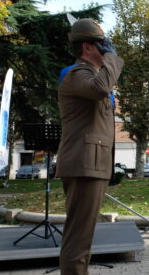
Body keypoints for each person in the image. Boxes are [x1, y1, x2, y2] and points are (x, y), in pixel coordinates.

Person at [56, 18, 123, 275]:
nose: (107, 49)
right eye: (102, 44)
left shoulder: (90, 75)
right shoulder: (78, 75)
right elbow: (101, 88)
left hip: (91, 164)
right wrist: (112, 59)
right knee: (78, 239)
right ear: (86, 47)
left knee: (82, 237)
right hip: (84, 164)